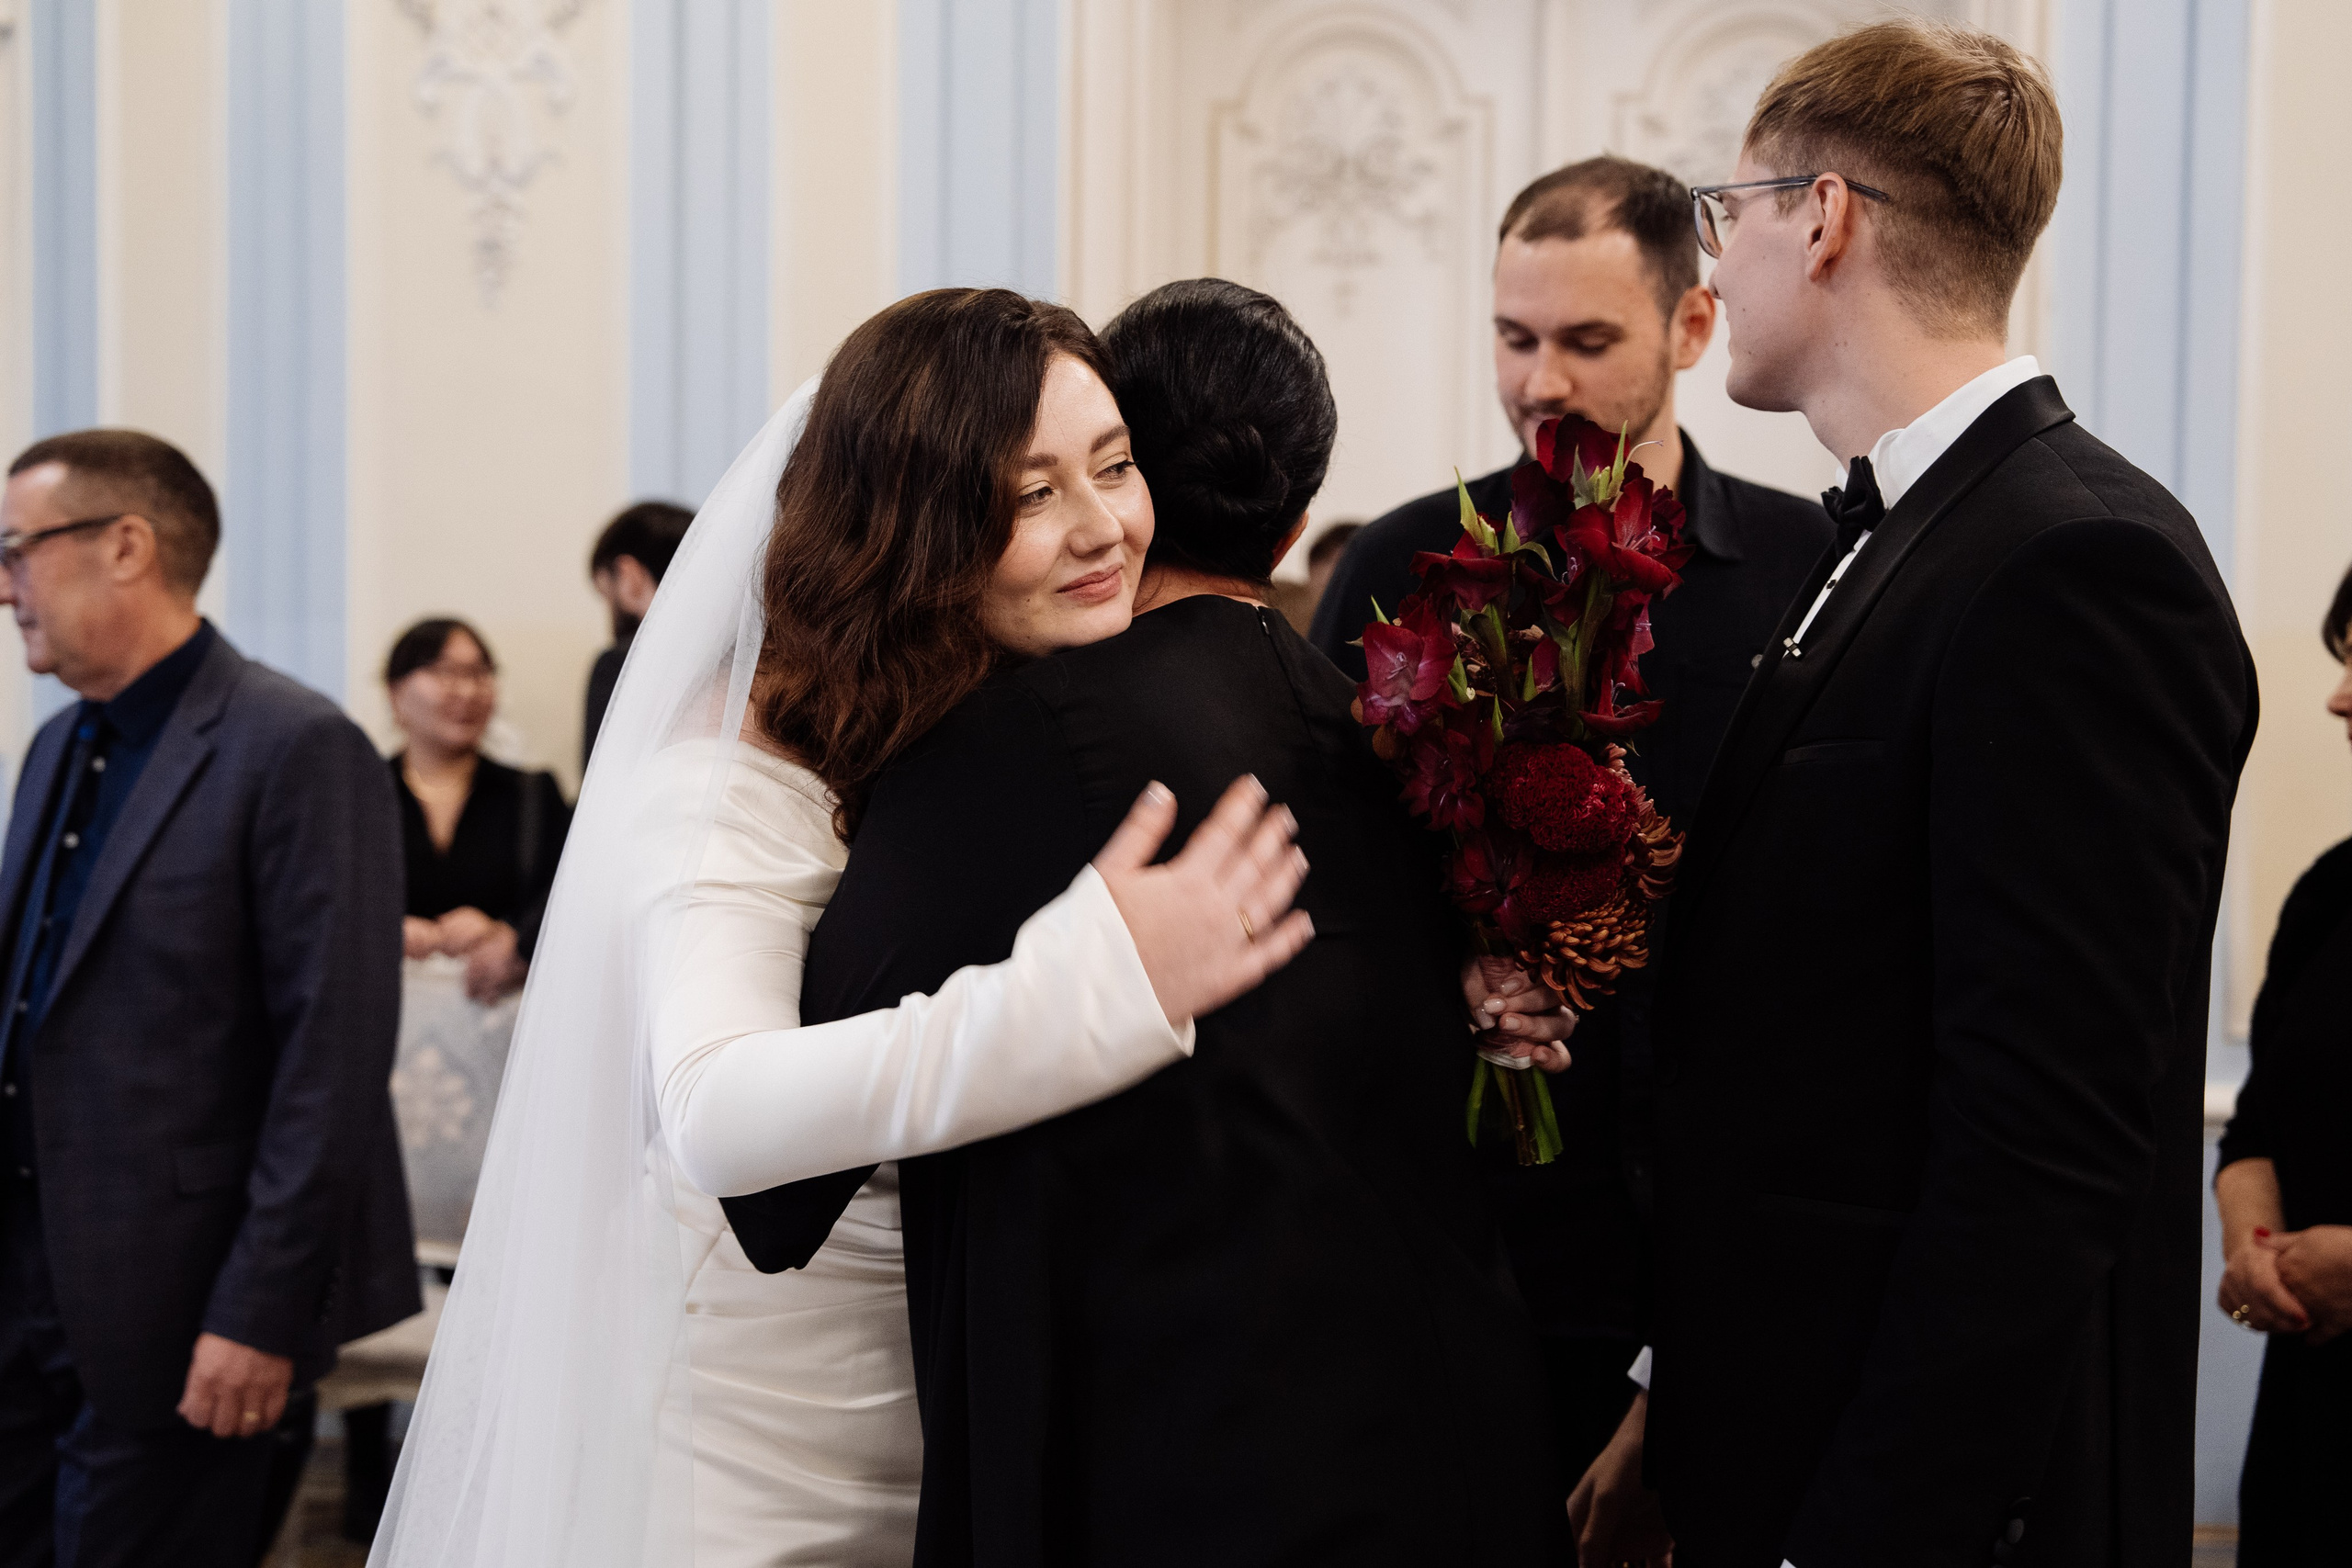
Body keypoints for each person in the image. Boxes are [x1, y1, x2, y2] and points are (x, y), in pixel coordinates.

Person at [368, 289, 1425, 1568]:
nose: (1103, 527)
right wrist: (1090, 986)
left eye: (1114, 466)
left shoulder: (1021, 702)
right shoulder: (732, 767)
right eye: (1031, 493)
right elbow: (715, 1108)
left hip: (947, 1383)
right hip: (757, 1413)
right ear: (915, 523)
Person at [730, 278, 1568, 1566]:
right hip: (1459, 1452)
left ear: (1141, 480)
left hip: (1170, 1475)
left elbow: (777, 1194)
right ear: (1295, 524)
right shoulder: (1409, 755)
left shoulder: (1004, 747)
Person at [1577, 20, 2256, 1568]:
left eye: (1725, 212)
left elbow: (2042, 1141)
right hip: (1781, 1423)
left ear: (1821, 218)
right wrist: (1678, 1395)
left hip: (1921, 1500)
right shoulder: (1909, 533)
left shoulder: (2075, 561)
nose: (1716, 259)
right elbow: (1819, 1067)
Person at [1323, 153, 1837, 1536]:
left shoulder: (1807, 573)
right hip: (1464, 1252)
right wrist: (1455, 978)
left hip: (1724, 1257)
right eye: (1514, 337)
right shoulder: (1399, 570)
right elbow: (1334, 898)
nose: (1540, 382)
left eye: (1587, 341)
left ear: (1693, 325)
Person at [0, 429, 417, 1565]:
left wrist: (259, 1314)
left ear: (125, 545)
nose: (6, 586)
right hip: (27, 1296)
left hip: (183, 1312)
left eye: (18, 550)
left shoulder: (295, 746)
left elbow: (331, 1062)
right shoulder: (54, 748)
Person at [2214, 559, 2352, 1563]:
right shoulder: (2328, 895)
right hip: (2314, 1428)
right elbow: (2256, 1128)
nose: (2339, 699)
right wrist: (2254, 1256)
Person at [385, 617, 571, 1004]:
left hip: (505, 1021)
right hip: (383, 1021)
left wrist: (512, 936)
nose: (468, 691)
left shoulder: (533, 796)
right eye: (445, 672)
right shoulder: (359, 798)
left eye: (480, 674)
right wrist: (380, 931)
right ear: (396, 691)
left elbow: (570, 902)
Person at [582, 500, 694, 771]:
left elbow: (600, 782)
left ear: (628, 575)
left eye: (606, 595)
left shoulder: (619, 664)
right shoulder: (749, 659)